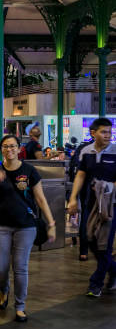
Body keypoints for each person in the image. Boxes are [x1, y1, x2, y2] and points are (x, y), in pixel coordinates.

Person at [0, 135, 56, 322]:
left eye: (13, 146)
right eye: (6, 146)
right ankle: (4, 290)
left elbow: (40, 199)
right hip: (1, 226)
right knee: (0, 267)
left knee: (20, 267)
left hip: (26, 226)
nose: (9, 150)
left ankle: (20, 306)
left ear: (19, 148)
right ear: (1, 149)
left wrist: (52, 223)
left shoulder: (29, 171)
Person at [67, 117, 116, 297]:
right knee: (89, 239)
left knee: (105, 244)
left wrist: (110, 187)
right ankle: (114, 270)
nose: (108, 135)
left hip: (112, 206)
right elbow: (80, 175)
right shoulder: (85, 152)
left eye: (110, 132)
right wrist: (72, 199)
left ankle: (95, 284)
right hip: (91, 202)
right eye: (104, 132)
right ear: (93, 133)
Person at [68, 131, 95, 261]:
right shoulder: (106, 149)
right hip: (92, 189)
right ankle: (94, 249)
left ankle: (84, 251)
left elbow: (75, 171)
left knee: (86, 216)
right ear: (94, 133)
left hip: (86, 189)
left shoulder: (82, 148)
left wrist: (74, 195)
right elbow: (79, 173)